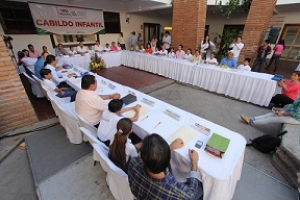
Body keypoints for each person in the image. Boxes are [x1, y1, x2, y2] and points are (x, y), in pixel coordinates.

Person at [128, 134, 203, 200]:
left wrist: (170, 148)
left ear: (142, 158)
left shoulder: (133, 163)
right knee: (200, 187)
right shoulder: (176, 192)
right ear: (170, 158)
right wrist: (194, 163)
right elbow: (191, 194)